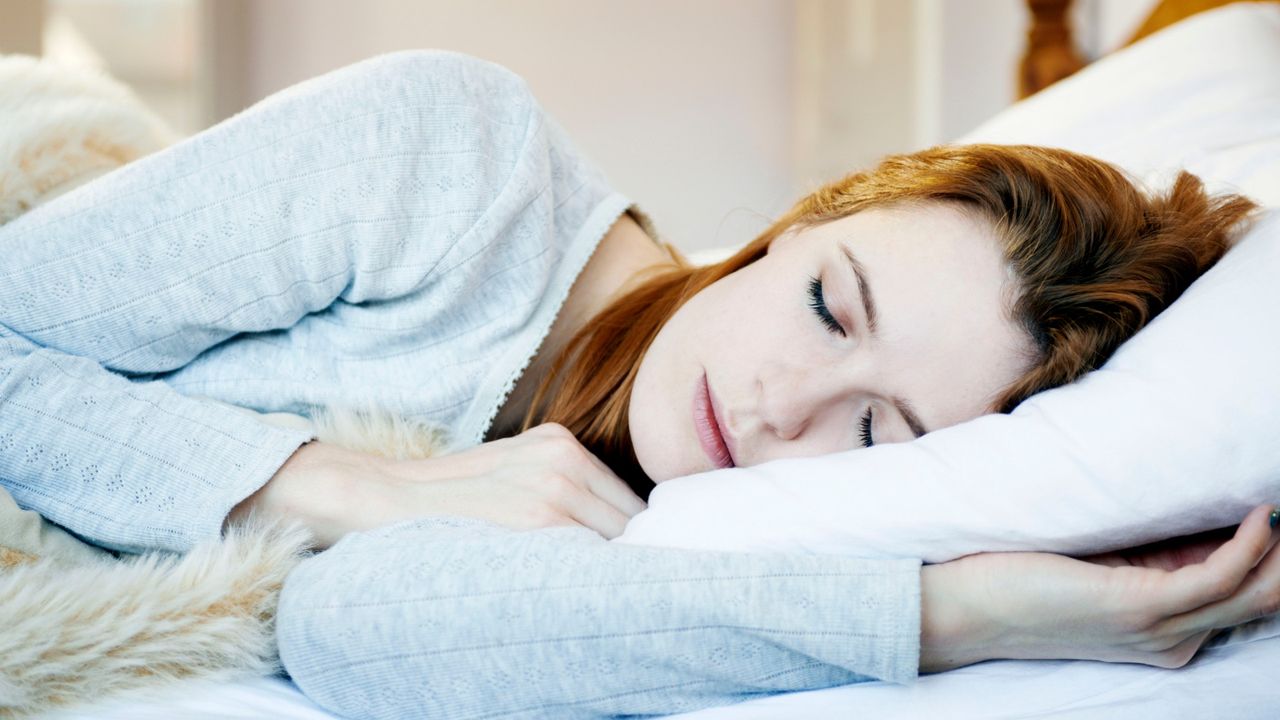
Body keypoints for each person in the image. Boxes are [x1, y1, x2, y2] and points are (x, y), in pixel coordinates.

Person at [0, 50, 1274, 719]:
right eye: (829, 305)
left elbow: (354, 635)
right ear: (805, 213)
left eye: (878, 431)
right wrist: (342, 483)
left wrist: (955, 616)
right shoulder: (445, 160)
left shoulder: (702, 525)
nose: (782, 408)